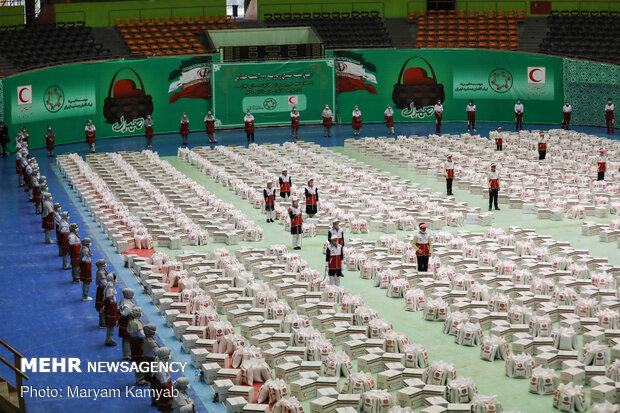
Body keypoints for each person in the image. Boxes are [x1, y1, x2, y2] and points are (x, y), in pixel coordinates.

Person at [127, 307, 148, 386]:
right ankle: (140, 379)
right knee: (141, 361)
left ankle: (139, 378)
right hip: (139, 344)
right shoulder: (136, 323)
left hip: (133, 343)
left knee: (137, 362)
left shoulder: (131, 321)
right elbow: (142, 335)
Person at [118, 288, 136, 360]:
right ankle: (128, 355)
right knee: (127, 339)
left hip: (123, 323)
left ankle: (126, 354)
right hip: (127, 323)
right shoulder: (128, 305)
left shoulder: (123, 300)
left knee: (125, 339)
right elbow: (125, 313)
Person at [142, 323, 160, 395]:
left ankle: (154, 398)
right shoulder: (151, 343)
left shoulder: (146, 339)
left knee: (153, 383)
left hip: (148, 362)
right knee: (156, 382)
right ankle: (155, 399)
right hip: (153, 364)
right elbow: (159, 353)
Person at [103, 273, 119, 346]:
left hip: (111, 308)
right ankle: (109, 339)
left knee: (111, 325)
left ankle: (109, 338)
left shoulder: (110, 286)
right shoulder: (109, 288)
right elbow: (110, 298)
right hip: (111, 309)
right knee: (111, 325)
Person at [94, 259, 108, 328]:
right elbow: (104, 283)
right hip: (102, 291)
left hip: (101, 290)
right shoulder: (101, 273)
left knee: (103, 306)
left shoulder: (100, 271)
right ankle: (102, 323)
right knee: (102, 306)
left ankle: (103, 321)